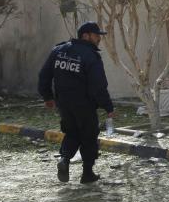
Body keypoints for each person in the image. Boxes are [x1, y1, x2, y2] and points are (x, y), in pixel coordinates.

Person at [37, 21, 115, 183]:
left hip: (64, 104)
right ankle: (87, 174)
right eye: (96, 35)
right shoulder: (90, 56)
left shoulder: (58, 50)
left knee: (72, 132)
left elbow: (44, 75)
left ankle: (64, 159)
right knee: (88, 136)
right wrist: (108, 106)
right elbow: (98, 85)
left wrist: (48, 97)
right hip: (85, 104)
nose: (99, 39)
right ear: (85, 36)